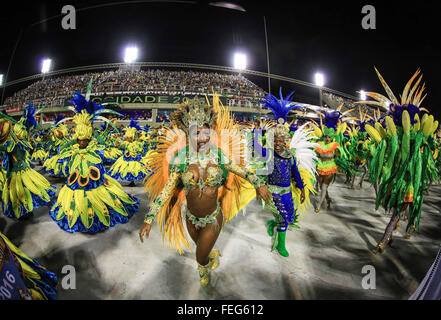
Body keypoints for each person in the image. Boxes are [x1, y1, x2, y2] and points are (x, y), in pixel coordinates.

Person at [139, 94, 271, 287]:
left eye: (205, 132)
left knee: (199, 255)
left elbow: (243, 172)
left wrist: (259, 183)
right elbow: (167, 191)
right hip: (190, 218)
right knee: (203, 249)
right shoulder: (181, 160)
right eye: (196, 133)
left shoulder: (219, 157)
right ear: (188, 134)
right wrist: (149, 218)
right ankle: (209, 257)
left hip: (213, 217)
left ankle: (204, 266)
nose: (201, 138)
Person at [359, 68, 439, 254]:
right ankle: (405, 227)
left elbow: (422, 162)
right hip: (396, 182)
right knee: (400, 211)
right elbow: (387, 157)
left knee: (397, 214)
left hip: (410, 184)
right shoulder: (391, 140)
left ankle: (385, 239)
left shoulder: (418, 141)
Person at [48, 89, 140, 233]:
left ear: (90, 136)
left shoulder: (96, 148)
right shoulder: (72, 149)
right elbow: (63, 152)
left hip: (95, 185)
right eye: (80, 139)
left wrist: (95, 132)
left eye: (85, 139)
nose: (82, 142)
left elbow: (103, 144)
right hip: (75, 184)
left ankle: (94, 218)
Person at [256, 89, 317, 257]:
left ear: (285, 141)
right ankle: (280, 245)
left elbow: (295, 174)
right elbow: (254, 147)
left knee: (289, 218)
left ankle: (271, 223)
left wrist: (303, 189)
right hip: (272, 193)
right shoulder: (267, 153)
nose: (277, 143)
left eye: (280, 141)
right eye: (275, 140)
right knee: (284, 218)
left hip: (287, 193)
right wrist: (256, 132)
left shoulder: (290, 156)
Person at [0, 103, 56, 220]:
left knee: (25, 192)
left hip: (23, 171)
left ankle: (26, 211)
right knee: (19, 194)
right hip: (18, 173)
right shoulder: (14, 144)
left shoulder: (18, 143)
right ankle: (23, 211)